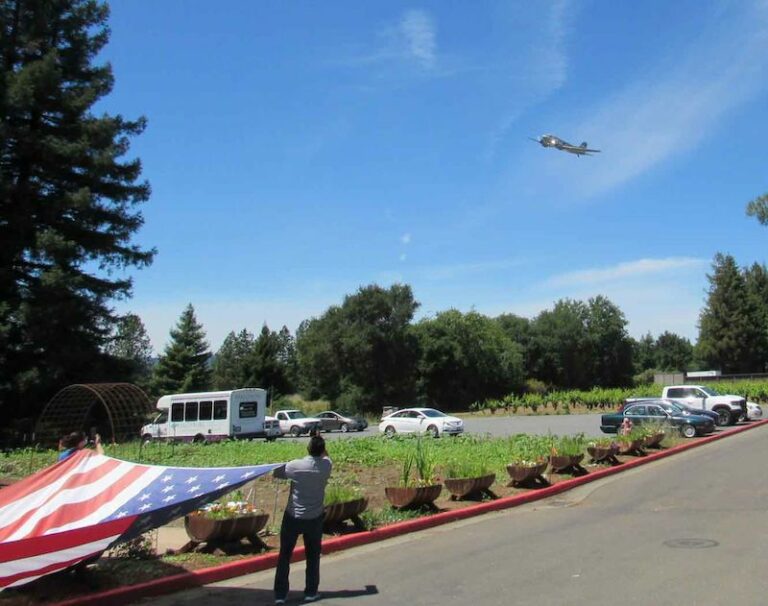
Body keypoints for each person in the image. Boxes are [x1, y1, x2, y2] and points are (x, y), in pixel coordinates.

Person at [273, 434, 332, 604]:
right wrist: (321, 444)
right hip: (314, 518)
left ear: (308, 448)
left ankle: (280, 595)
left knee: (284, 555)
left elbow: (276, 473)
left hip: (293, 516)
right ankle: (310, 592)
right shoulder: (326, 466)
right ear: (322, 450)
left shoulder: (295, 466)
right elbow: (327, 457)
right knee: (313, 556)